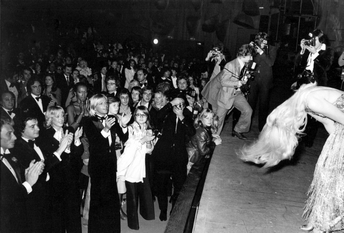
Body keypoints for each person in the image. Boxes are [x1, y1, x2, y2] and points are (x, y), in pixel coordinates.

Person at [238, 83, 344, 232]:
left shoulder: (310, 101)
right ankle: (320, 218)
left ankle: (326, 220)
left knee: (330, 172)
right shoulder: (301, 103)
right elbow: (328, 121)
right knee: (326, 171)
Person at [10, 115, 70, 233]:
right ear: (21, 129)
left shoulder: (38, 141)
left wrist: (65, 147)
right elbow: (39, 170)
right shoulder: (19, 147)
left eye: (37, 125)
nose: (37, 128)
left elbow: (52, 164)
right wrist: (60, 149)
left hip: (48, 192)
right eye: (32, 126)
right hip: (35, 197)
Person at [83, 94, 128, 233]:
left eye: (106, 103)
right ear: (94, 107)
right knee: (98, 200)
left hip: (110, 163)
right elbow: (95, 143)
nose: (106, 105)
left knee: (111, 199)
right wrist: (106, 129)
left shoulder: (112, 118)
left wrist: (124, 125)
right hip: (97, 165)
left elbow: (123, 137)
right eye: (102, 103)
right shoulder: (88, 121)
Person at [37, 106, 83, 233]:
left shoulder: (68, 130)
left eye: (63, 115)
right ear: (50, 118)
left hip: (71, 178)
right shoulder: (44, 136)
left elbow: (78, 153)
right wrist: (64, 148)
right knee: (58, 216)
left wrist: (77, 141)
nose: (61, 118)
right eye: (57, 116)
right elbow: (49, 160)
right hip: (56, 180)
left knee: (73, 213)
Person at [152, 96, 195, 221]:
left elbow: (191, 132)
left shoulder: (187, 115)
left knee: (179, 184)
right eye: (176, 104)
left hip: (179, 156)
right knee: (162, 185)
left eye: (181, 103)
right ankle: (163, 209)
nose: (178, 106)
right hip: (163, 155)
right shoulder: (166, 114)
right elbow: (158, 117)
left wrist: (181, 116)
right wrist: (170, 104)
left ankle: (174, 209)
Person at [0, 118, 44, 233]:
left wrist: (26, 175)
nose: (14, 137)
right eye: (9, 134)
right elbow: (8, 199)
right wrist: (28, 183)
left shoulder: (9, 156)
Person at [201, 44, 254, 139]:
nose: (251, 58)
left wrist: (245, 79)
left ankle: (238, 129)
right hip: (225, 94)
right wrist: (238, 83)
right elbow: (224, 81)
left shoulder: (245, 64)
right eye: (250, 55)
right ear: (244, 55)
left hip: (236, 93)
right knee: (219, 119)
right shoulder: (230, 65)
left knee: (248, 110)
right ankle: (212, 138)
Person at [117, 106, 156, 230]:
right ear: (134, 116)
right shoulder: (130, 128)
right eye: (138, 115)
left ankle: (146, 215)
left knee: (145, 192)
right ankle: (133, 224)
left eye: (143, 115)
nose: (141, 117)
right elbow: (129, 146)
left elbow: (149, 151)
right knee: (132, 196)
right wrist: (143, 139)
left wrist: (149, 141)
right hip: (131, 165)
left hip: (142, 166)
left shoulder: (146, 128)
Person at [293, 29, 332, 147]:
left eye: (314, 39)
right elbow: (298, 65)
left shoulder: (327, 52)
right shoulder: (309, 49)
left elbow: (326, 67)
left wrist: (315, 53)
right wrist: (302, 50)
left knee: (314, 112)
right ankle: (298, 135)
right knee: (300, 109)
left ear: (321, 41)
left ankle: (309, 139)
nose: (311, 41)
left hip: (317, 84)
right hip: (305, 82)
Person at [248, 32, 279, 131]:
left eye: (265, 40)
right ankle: (246, 125)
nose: (263, 43)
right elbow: (251, 62)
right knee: (250, 103)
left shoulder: (272, 49)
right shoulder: (254, 49)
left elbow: (270, 63)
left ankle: (262, 127)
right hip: (254, 79)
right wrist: (253, 50)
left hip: (265, 80)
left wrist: (262, 52)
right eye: (260, 40)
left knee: (263, 104)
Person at [186, 109, 221, 174]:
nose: (210, 120)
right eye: (207, 118)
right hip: (193, 156)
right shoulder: (202, 132)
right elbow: (203, 151)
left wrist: (211, 135)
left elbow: (201, 137)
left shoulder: (200, 125)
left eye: (211, 118)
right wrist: (214, 143)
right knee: (187, 171)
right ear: (201, 118)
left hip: (191, 152)